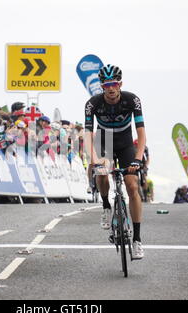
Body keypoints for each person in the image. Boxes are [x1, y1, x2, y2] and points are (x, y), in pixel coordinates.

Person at [84, 64, 147, 260]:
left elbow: (141, 134)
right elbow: (88, 134)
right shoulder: (92, 104)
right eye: (106, 85)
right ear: (102, 86)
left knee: (132, 185)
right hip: (105, 142)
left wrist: (137, 159)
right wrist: (93, 160)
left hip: (126, 143)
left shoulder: (132, 100)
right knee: (102, 172)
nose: (111, 88)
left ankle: (137, 240)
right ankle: (105, 205)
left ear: (120, 84)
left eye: (114, 84)